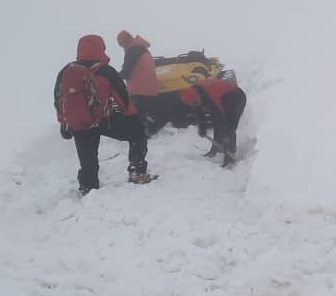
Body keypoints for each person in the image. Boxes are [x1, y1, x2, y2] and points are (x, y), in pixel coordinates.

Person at [54, 34, 157, 194]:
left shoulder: (66, 71)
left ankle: (88, 188)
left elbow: (59, 100)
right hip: (103, 120)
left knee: (88, 161)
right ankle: (137, 172)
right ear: (101, 48)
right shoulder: (107, 72)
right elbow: (124, 102)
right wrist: (133, 119)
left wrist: (64, 124)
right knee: (137, 133)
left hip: (80, 125)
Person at [179, 77, 247, 166]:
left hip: (236, 98)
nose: (195, 104)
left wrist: (226, 139)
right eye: (192, 104)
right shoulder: (194, 96)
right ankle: (216, 150)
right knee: (217, 124)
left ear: (197, 96)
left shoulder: (209, 96)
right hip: (223, 98)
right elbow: (199, 113)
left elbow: (221, 120)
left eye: (195, 102)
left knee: (229, 127)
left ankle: (230, 155)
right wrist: (202, 127)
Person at [116, 30, 159, 118]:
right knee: (148, 116)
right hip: (150, 88)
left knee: (135, 116)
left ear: (124, 42)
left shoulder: (133, 51)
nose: (123, 48)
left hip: (139, 91)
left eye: (121, 45)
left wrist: (114, 77)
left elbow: (126, 71)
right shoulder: (141, 48)